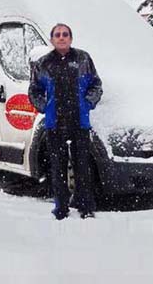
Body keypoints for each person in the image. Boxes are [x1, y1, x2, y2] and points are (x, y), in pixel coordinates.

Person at [28, 23, 103, 220]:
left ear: (71, 38)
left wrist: (88, 103)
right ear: (52, 39)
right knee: (58, 168)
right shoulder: (44, 63)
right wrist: (45, 107)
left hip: (79, 121)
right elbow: (34, 90)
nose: (62, 37)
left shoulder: (83, 59)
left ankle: (86, 207)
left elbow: (96, 85)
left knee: (82, 166)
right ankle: (61, 208)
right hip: (55, 123)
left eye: (65, 34)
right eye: (57, 35)